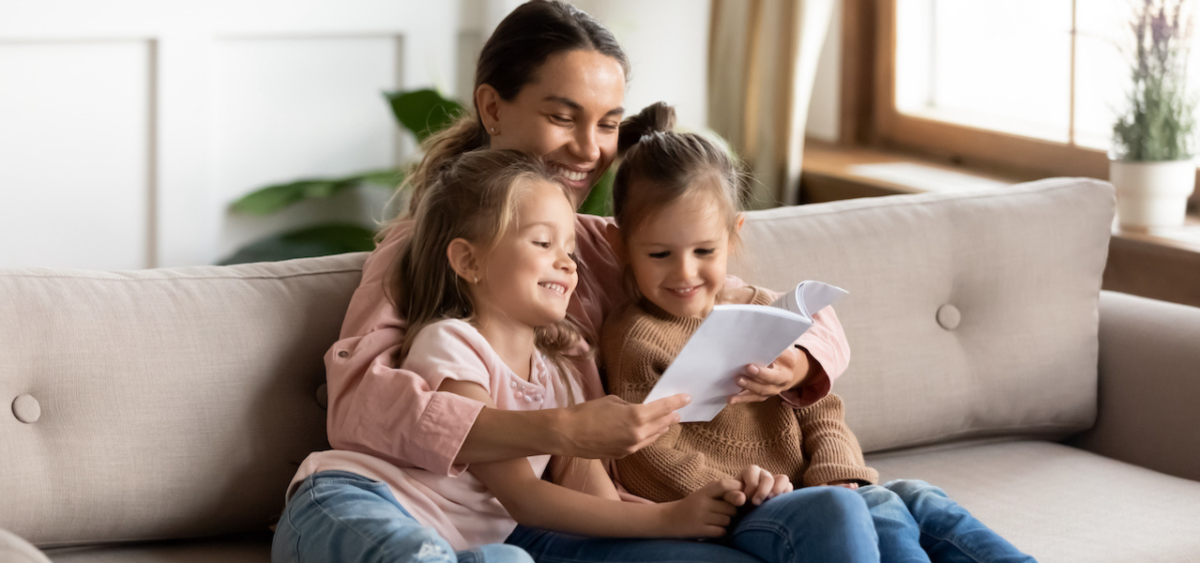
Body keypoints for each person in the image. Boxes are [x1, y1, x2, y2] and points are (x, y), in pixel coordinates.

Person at [276, 1, 852, 561]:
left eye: (608, 124)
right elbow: (361, 407)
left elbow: (766, 302)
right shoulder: (420, 251)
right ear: (493, 108)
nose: (589, 148)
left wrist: (799, 357)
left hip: (556, 514)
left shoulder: (608, 245)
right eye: (562, 116)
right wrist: (563, 430)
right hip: (449, 508)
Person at [589, 102, 1037, 563]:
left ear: (734, 234)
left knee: (918, 497)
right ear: (620, 245)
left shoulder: (766, 312)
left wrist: (838, 473)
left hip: (817, 493)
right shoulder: (636, 337)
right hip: (743, 510)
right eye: (660, 254)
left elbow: (823, 411)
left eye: (705, 250)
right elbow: (646, 456)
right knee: (870, 505)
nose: (685, 272)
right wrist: (744, 490)